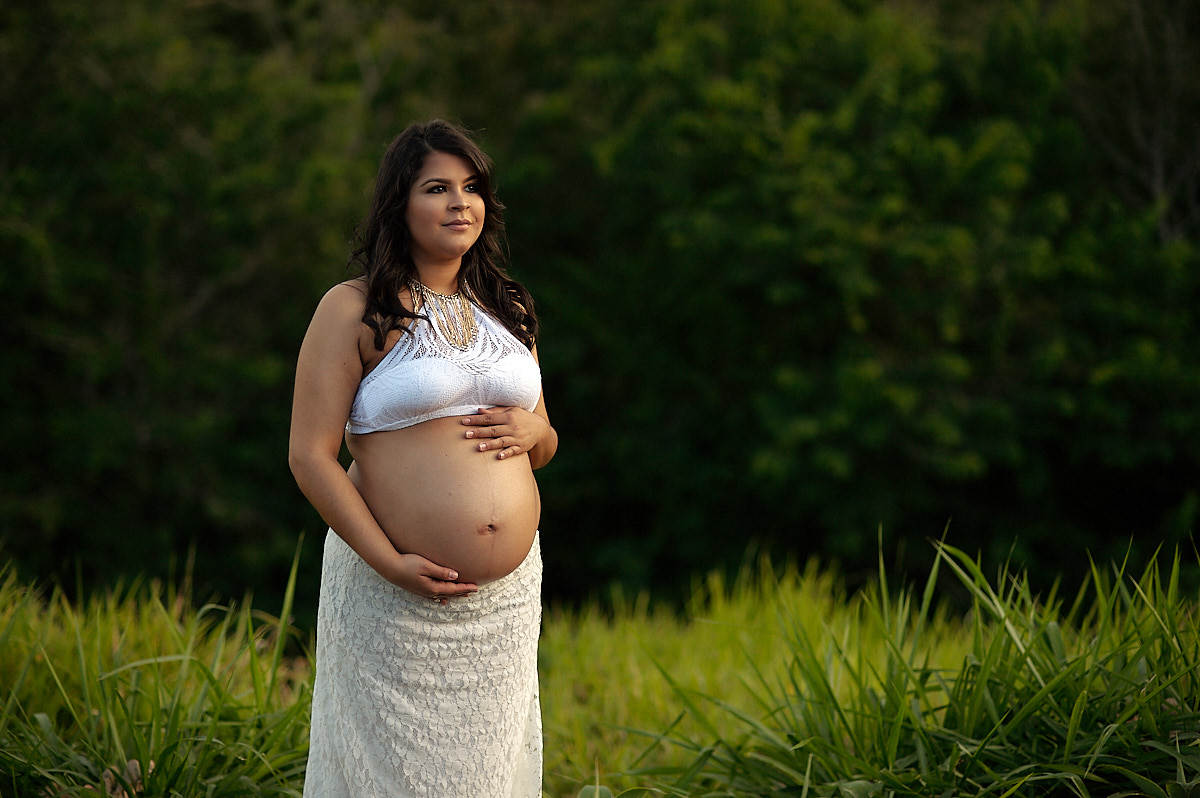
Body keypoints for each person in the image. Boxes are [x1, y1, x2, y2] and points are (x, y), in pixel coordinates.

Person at [288, 119, 557, 797]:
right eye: (437, 188)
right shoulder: (353, 309)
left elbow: (545, 443)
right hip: (393, 594)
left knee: (486, 778)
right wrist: (391, 563)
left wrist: (533, 431)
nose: (459, 202)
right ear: (399, 205)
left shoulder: (510, 307)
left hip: (502, 606)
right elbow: (310, 456)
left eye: (471, 187)